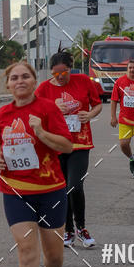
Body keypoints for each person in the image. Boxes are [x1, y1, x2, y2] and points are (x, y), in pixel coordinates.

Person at [0, 61, 73, 267]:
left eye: (25, 76)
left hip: (50, 189)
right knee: (27, 251)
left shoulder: (47, 108)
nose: (20, 81)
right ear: (8, 84)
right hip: (15, 190)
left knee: (54, 255)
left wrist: (41, 133)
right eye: (14, 77)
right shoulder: (2, 113)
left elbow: (67, 145)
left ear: (34, 80)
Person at [35, 50, 102, 248]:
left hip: (79, 143)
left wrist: (89, 115)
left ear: (70, 69)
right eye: (56, 73)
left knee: (75, 185)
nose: (60, 77)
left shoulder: (83, 81)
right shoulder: (44, 89)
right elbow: (35, 113)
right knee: (62, 189)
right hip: (55, 145)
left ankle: (81, 228)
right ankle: (68, 231)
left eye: (64, 72)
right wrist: (52, 108)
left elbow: (97, 105)